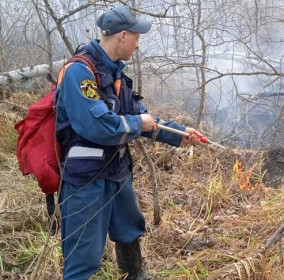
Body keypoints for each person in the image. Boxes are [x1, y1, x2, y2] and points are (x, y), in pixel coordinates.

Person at [55, 6, 201, 280]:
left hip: (117, 172)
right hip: (86, 180)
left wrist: (180, 133)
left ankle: (135, 276)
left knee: (129, 230)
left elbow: (137, 115)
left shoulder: (115, 74)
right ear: (122, 35)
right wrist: (138, 125)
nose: (138, 43)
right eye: (136, 37)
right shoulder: (79, 72)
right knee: (83, 259)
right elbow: (97, 126)